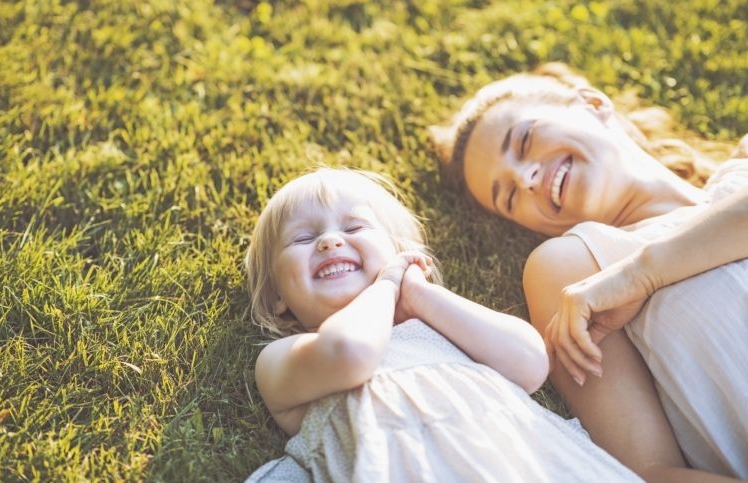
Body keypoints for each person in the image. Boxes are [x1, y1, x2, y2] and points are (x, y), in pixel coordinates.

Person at [431, 63, 748, 481]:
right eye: (508, 196)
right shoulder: (577, 268)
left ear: (594, 104)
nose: (525, 177)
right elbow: (649, 470)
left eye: (524, 140)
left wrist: (644, 274)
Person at [244, 167, 642, 482]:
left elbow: (531, 362)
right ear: (278, 297)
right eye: (302, 239)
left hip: (526, 461)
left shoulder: (442, 325)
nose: (330, 242)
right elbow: (351, 353)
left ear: (400, 256)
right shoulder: (286, 357)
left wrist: (419, 295)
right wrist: (385, 285)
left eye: (352, 228)